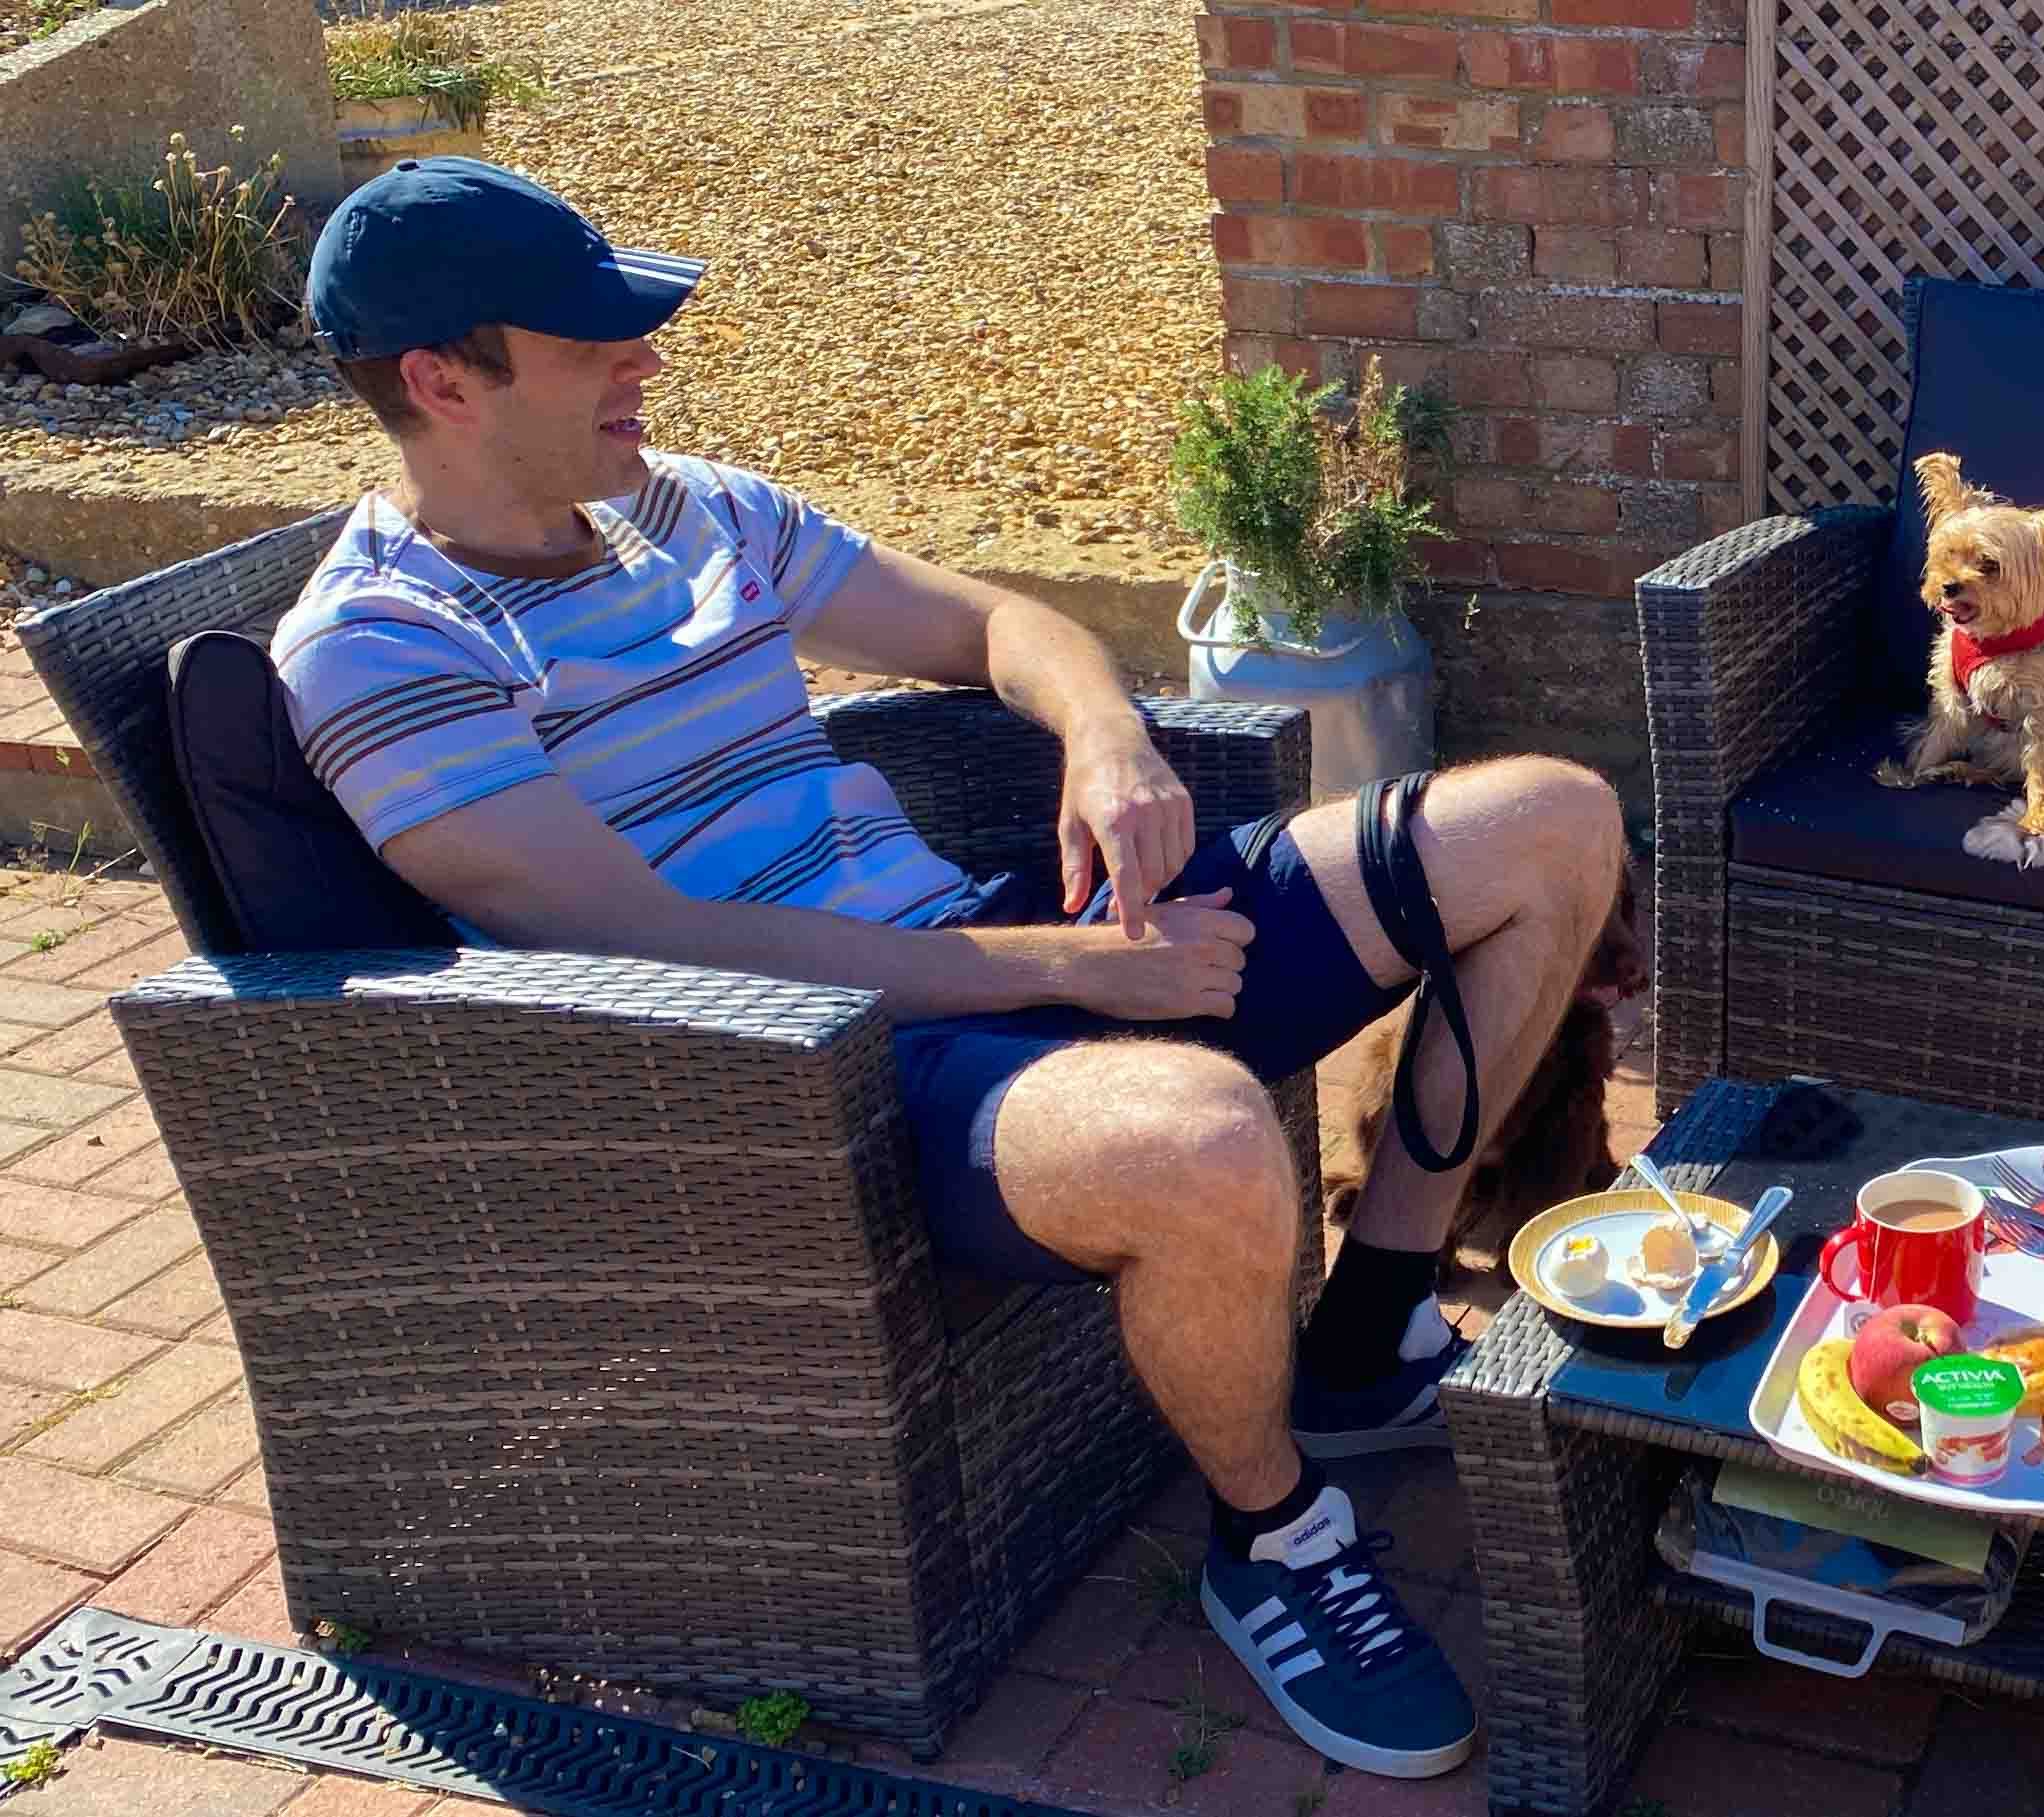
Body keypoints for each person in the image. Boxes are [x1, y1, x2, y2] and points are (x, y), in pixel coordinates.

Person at [281, 157, 1626, 1781]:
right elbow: (657, 941)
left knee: (1547, 824)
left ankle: (1366, 1334)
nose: (644, 362)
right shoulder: (382, 647)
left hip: (976, 935)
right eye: (590, 339)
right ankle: (1270, 1535)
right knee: (1202, 1137)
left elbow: (1001, 625)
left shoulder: (687, 507)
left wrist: (1106, 737)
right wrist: (1075, 970)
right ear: (443, 382)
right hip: (825, 1079)